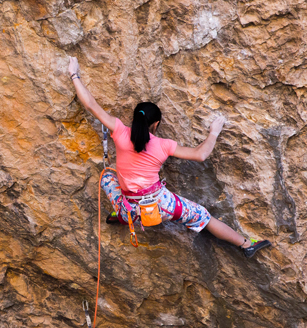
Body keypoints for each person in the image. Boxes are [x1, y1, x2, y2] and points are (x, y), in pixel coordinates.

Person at [67, 57, 271, 258]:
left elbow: (91, 105)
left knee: (107, 177)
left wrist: (74, 73)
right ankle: (246, 245)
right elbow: (200, 154)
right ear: (155, 124)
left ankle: (122, 213)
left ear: (135, 119)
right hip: (159, 205)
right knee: (204, 216)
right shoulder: (164, 146)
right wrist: (214, 133)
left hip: (129, 203)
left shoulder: (120, 132)